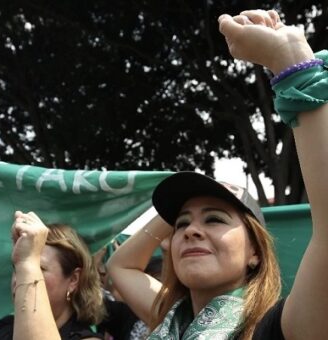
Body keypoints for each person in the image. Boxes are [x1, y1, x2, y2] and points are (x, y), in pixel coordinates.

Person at [107, 9, 328, 340]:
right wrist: (178, 207)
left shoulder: (282, 327)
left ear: (255, 254)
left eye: (214, 219)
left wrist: (290, 58)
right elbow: (119, 266)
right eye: (181, 224)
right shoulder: (171, 320)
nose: (191, 231)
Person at [0, 211, 106, 340]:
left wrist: (27, 261)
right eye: (17, 268)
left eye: (38, 268)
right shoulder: (3, 327)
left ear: (73, 280)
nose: (19, 278)